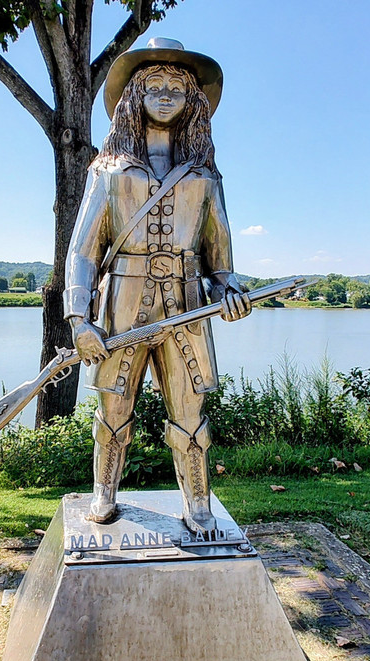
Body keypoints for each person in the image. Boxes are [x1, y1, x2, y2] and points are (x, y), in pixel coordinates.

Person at [64, 37, 251, 535]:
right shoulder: (107, 172)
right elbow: (84, 250)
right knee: (113, 406)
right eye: (153, 86)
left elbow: (220, 256)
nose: (165, 95)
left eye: (176, 87)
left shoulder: (205, 175)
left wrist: (228, 289)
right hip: (124, 303)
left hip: (187, 304)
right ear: (134, 97)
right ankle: (105, 491)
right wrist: (79, 318)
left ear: (192, 100)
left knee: (190, 410)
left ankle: (197, 502)